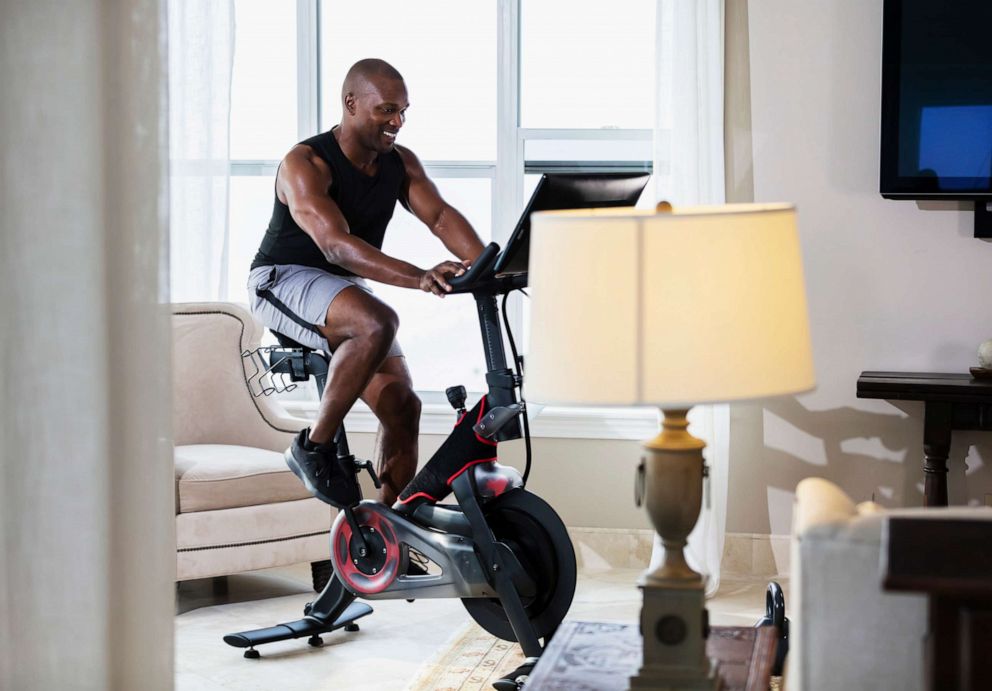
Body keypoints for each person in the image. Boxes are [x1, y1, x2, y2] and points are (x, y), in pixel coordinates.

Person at [247, 58, 484, 508]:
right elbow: (336, 245)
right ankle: (312, 448)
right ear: (351, 103)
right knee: (377, 321)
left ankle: (389, 535)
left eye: (404, 112)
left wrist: (487, 264)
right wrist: (420, 277)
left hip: (341, 287)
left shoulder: (399, 163)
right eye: (387, 110)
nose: (398, 122)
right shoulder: (306, 162)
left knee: (403, 406)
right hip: (281, 279)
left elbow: (439, 216)